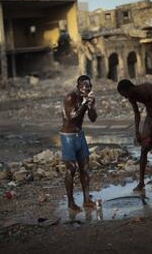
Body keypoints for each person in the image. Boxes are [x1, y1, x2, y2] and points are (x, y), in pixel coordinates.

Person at [117, 79, 152, 192]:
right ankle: (141, 183)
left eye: (125, 95)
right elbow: (137, 113)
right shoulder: (132, 96)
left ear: (130, 89)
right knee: (143, 149)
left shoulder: (148, 88)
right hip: (150, 117)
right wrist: (137, 130)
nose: (126, 98)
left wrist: (151, 128)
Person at [60, 75, 97, 211]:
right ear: (78, 87)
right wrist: (83, 104)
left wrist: (91, 106)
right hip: (68, 136)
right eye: (84, 87)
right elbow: (72, 118)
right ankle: (71, 202)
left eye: (89, 87)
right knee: (71, 169)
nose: (86, 89)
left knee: (85, 167)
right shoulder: (70, 98)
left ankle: (87, 200)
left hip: (80, 135)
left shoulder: (88, 98)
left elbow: (93, 118)